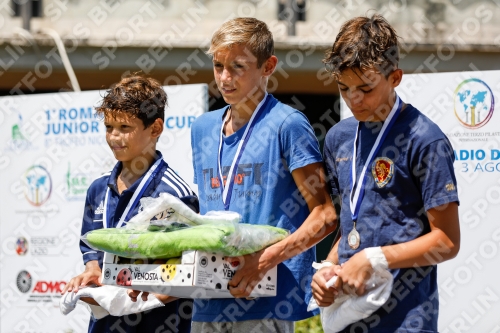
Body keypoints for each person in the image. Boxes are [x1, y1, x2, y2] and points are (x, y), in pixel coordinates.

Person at [311, 14, 460, 332]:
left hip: (405, 319)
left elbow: (447, 241)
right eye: (343, 87)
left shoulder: (425, 139)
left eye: (365, 88)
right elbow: (354, 227)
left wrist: (375, 258)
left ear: (395, 77)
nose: (353, 99)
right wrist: (329, 266)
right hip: (349, 314)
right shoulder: (339, 137)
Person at [189, 17, 337, 332]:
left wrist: (266, 260)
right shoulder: (201, 128)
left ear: (268, 66)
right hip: (206, 300)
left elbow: (324, 216)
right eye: (218, 66)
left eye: (238, 67)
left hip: (265, 301)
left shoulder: (288, 124)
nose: (225, 78)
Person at [61, 75, 199, 333]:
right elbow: (91, 251)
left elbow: (190, 272)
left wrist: (143, 287)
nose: (114, 137)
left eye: (125, 128)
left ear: (155, 129)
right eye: (108, 127)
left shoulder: (175, 194)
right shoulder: (97, 189)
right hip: (105, 325)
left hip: (158, 323)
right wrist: (91, 271)